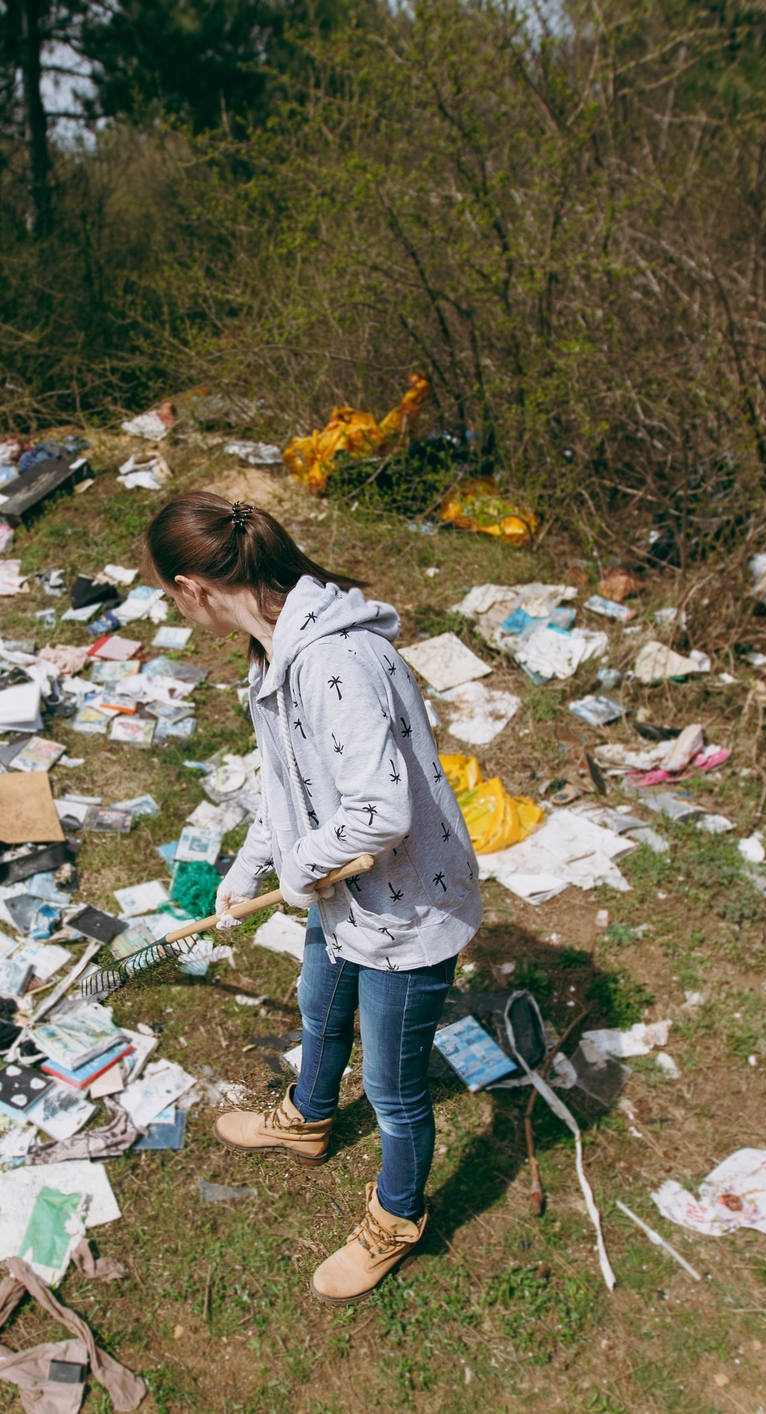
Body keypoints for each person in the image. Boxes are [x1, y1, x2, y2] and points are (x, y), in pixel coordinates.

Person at [145, 490, 481, 1304]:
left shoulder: (332, 662)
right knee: (320, 1012)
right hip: (341, 897)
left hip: (405, 913)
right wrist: (252, 867)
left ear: (193, 587)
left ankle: (397, 1218)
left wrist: (298, 870)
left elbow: (378, 811)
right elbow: (292, 787)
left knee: (398, 1094)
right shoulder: (274, 650)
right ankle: (306, 1120)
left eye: (167, 595)